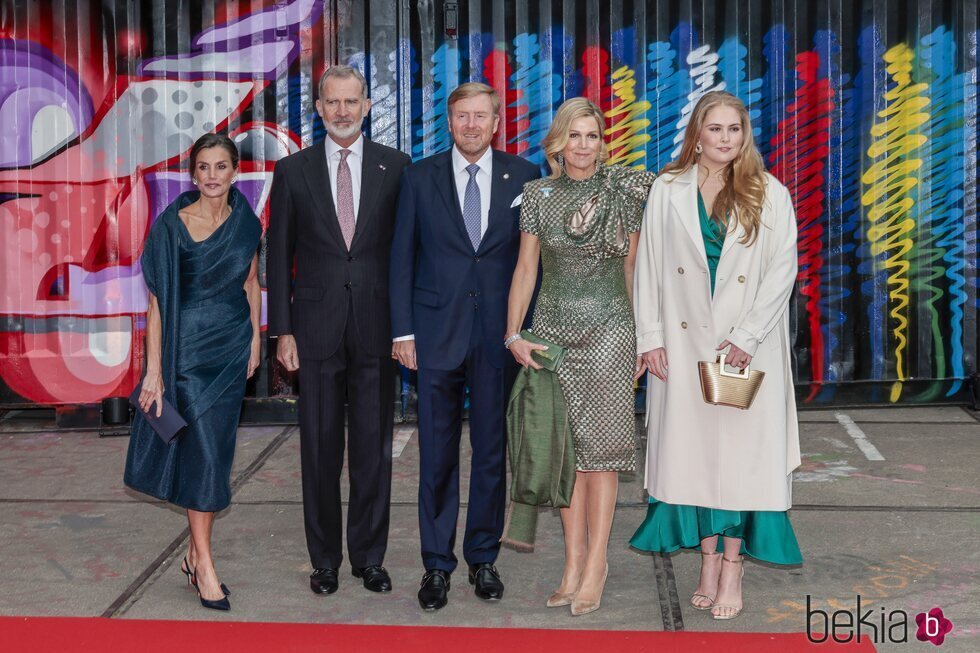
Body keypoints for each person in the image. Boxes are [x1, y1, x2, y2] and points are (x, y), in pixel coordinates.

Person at [631, 90, 803, 620]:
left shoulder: (769, 192)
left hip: (743, 351)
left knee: (739, 462)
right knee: (691, 458)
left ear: (743, 134)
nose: (725, 138)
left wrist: (748, 335)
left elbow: (782, 272)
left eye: (734, 129)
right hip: (681, 349)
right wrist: (650, 337)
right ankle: (706, 560)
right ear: (697, 134)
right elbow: (650, 268)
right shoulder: (666, 189)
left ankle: (733, 566)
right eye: (715, 128)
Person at [390, 82, 539, 611]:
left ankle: (483, 557)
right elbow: (401, 258)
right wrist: (402, 333)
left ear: (497, 122)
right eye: (462, 116)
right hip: (433, 336)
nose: (471, 125)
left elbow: (530, 265)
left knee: (492, 452)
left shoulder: (525, 176)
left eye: (481, 116)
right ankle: (436, 565)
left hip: (499, 337)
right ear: (448, 122)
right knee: (436, 454)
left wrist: (523, 330)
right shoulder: (418, 177)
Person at [504, 97, 655, 616]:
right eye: (574, 136)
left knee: (603, 453)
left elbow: (634, 269)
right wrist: (513, 334)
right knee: (565, 450)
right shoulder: (537, 195)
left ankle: (596, 565)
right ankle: (571, 562)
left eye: (592, 136)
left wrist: (640, 334)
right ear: (558, 143)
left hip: (611, 328)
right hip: (552, 333)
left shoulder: (623, 193)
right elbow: (525, 270)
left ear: (602, 142)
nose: (583, 146)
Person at [267, 65, 411, 596]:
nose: (343, 111)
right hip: (314, 331)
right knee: (320, 451)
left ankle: (369, 558)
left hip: (378, 328)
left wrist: (408, 328)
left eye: (352, 102)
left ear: (368, 106)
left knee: (373, 450)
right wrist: (282, 331)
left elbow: (405, 254)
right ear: (320, 108)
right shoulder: (293, 171)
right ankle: (324, 560)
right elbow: (278, 256)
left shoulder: (396, 167)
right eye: (333, 102)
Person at [124, 133, 263, 612]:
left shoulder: (246, 221)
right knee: (201, 453)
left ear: (234, 171)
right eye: (202, 167)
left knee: (215, 455)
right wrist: (154, 371)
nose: (211, 176)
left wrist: (257, 339)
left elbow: (251, 281)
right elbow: (157, 305)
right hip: (185, 353)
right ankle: (205, 564)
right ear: (193, 173)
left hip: (230, 349)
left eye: (220, 167)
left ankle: (192, 551)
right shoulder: (171, 227)